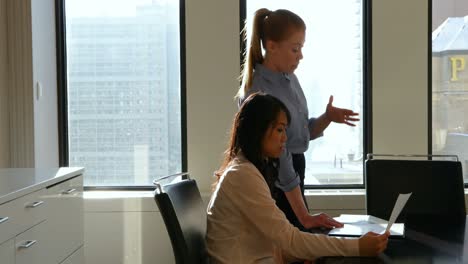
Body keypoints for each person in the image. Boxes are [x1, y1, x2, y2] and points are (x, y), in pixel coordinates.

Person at [206, 92, 389, 263]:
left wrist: (304, 253)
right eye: (279, 130)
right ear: (258, 130)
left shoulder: (246, 170)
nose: (285, 138)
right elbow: (290, 239)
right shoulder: (243, 175)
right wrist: (357, 247)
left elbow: (274, 242)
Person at [237, 8, 360, 231]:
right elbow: (281, 154)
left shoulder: (290, 80)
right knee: (293, 243)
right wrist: (304, 215)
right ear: (272, 46)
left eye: (301, 48)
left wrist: (327, 118)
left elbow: (301, 134)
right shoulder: (260, 91)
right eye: (295, 49)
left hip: (292, 174)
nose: (300, 56)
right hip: (275, 180)